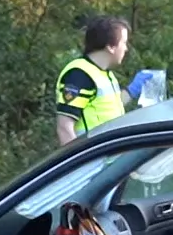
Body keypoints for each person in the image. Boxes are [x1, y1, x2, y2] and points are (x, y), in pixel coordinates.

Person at [54, 15, 136, 145]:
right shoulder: (79, 74)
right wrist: (79, 162)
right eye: (124, 43)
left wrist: (132, 91)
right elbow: (64, 127)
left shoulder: (104, 73)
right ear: (110, 46)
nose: (126, 49)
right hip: (92, 162)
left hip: (108, 160)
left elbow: (108, 109)